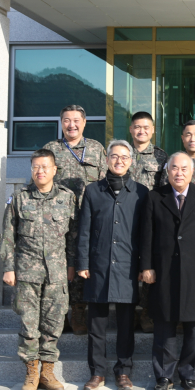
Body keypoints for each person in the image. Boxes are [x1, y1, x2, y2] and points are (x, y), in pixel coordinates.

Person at [141, 152, 195, 390]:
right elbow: (147, 234)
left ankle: (189, 375)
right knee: (164, 323)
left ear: (192, 171)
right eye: (174, 168)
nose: (179, 173)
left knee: (193, 325)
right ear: (167, 171)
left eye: (184, 168)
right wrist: (146, 266)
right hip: (163, 270)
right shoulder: (155, 197)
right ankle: (164, 376)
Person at [0, 149, 77, 390]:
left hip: (57, 273)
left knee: (53, 324)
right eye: (35, 167)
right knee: (29, 324)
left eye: (44, 167)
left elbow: (73, 236)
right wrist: (8, 268)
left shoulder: (67, 198)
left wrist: (72, 265)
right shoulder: (19, 198)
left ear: (54, 170)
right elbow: (8, 236)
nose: (39, 171)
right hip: (27, 273)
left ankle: (48, 372)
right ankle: (32, 372)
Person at [76, 140, 149, 390]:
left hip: (128, 266)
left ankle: (123, 372)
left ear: (131, 161)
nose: (119, 161)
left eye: (124, 157)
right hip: (98, 265)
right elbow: (84, 230)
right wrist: (82, 263)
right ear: (106, 160)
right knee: (96, 324)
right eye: (114, 156)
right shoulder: (93, 191)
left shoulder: (141, 192)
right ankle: (97, 372)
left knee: (126, 325)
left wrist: (144, 265)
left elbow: (145, 233)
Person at [43, 104, 108, 335]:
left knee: (82, 264)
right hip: (58, 219)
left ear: (84, 123)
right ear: (61, 123)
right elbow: (40, 182)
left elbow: (104, 183)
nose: (72, 125)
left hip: (88, 218)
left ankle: (79, 311)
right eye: (67, 121)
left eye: (76, 120)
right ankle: (60, 314)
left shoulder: (96, 149)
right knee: (59, 265)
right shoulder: (51, 149)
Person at [128, 111, 168, 334]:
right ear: (131, 129)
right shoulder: (121, 153)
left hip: (150, 219)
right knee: (127, 265)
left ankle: (146, 311)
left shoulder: (161, 157)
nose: (141, 131)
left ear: (152, 130)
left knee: (149, 265)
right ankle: (129, 310)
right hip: (124, 218)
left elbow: (164, 190)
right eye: (137, 127)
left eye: (146, 127)